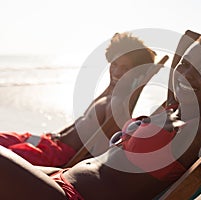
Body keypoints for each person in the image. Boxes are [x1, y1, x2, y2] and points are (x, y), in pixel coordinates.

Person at [0, 32, 201, 199]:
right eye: (183, 65)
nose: (186, 74)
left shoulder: (200, 129)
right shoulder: (168, 113)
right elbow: (187, 43)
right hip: (58, 179)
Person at [0, 32, 157, 167]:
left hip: (55, 154)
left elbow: (105, 151)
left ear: (136, 72)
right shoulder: (110, 93)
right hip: (49, 140)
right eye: (114, 64)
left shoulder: (118, 104)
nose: (116, 71)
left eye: (125, 68)